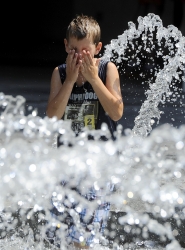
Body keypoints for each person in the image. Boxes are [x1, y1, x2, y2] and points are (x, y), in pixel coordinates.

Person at [46, 14, 123, 249]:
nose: (79, 56)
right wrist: (70, 81)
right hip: (68, 164)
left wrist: (93, 80)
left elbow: (116, 112)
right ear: (66, 45)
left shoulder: (107, 69)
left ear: (97, 48)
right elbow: (52, 117)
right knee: (58, 231)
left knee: (87, 231)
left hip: (99, 166)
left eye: (85, 50)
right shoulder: (60, 73)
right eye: (74, 50)